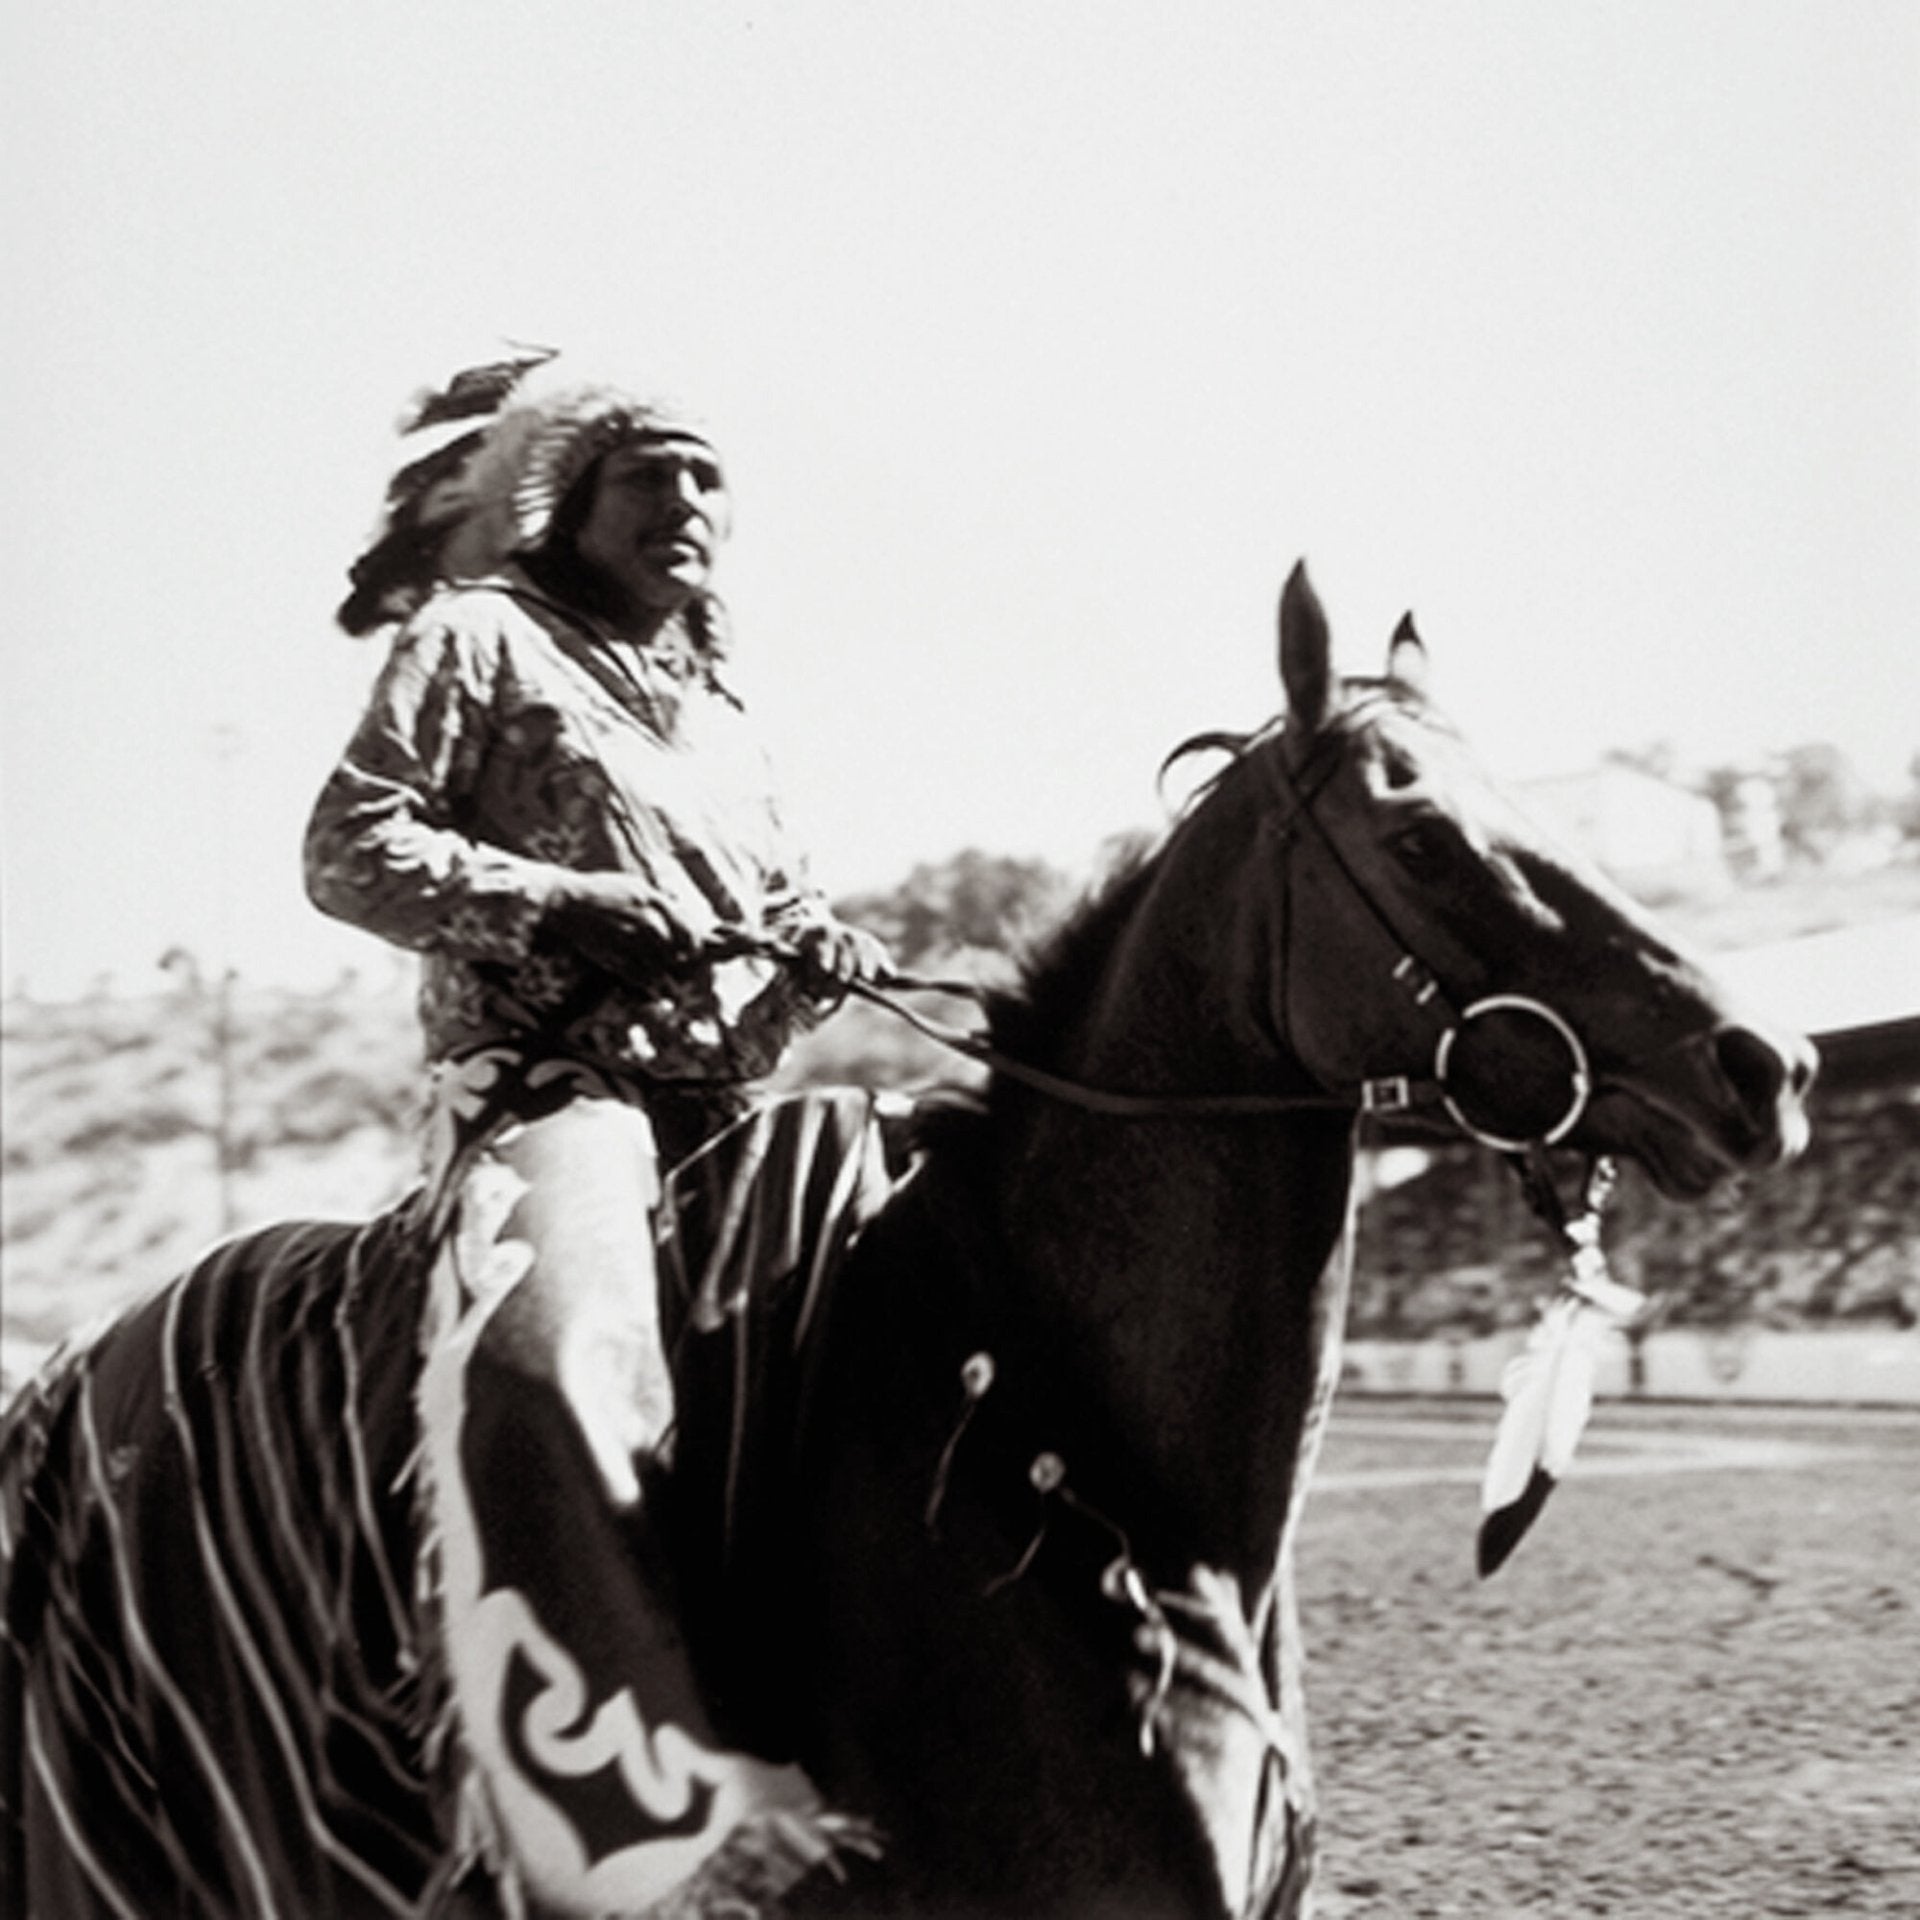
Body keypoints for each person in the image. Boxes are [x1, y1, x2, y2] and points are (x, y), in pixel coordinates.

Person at [305, 351, 890, 1915]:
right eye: (656, 472)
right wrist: (564, 905)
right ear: (572, 499)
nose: (691, 504)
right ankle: (630, 1817)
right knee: (552, 1366)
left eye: (710, 479)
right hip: (551, 1093)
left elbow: (759, 933)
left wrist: (806, 954)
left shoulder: (724, 707)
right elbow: (349, 853)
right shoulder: (479, 636)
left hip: (727, 1112)